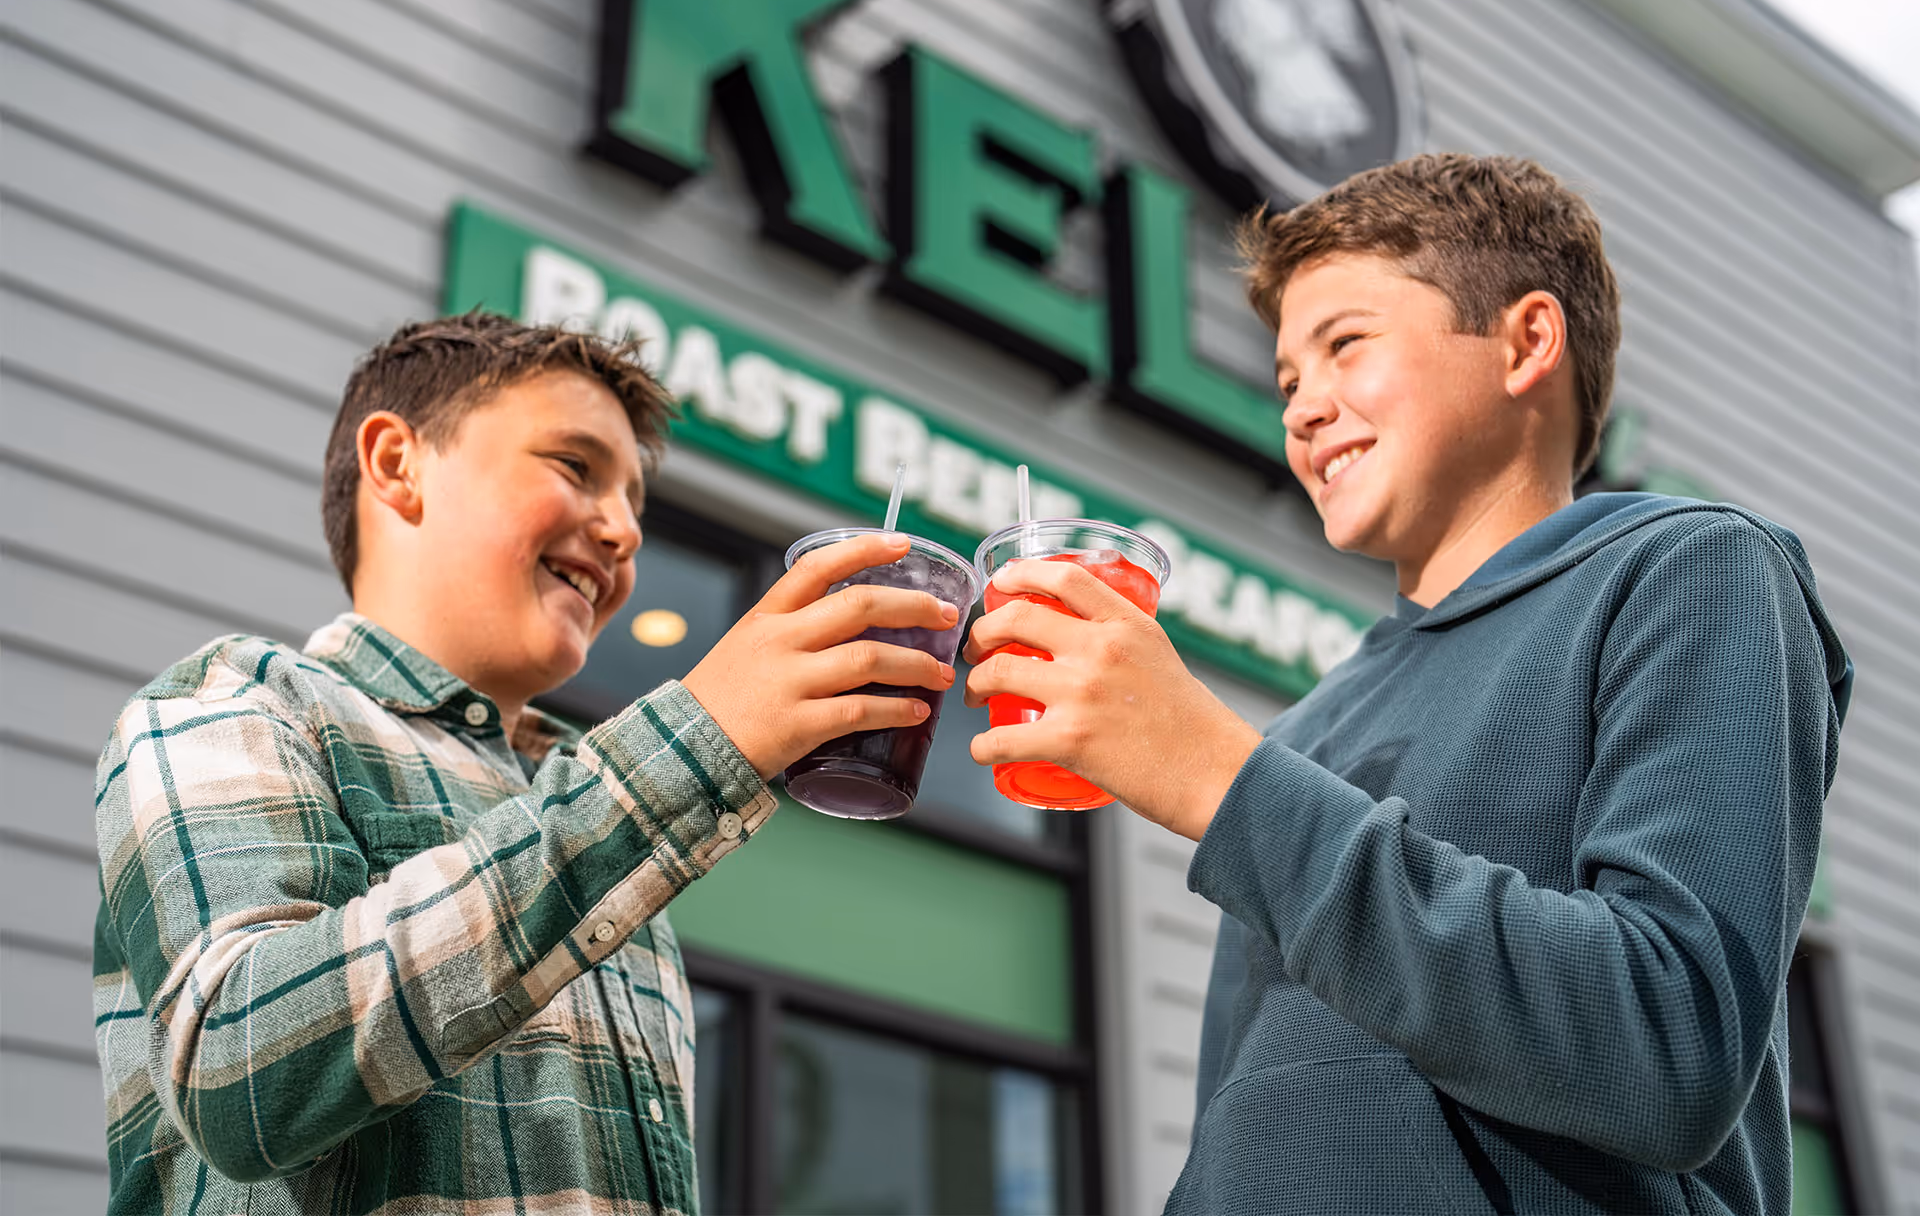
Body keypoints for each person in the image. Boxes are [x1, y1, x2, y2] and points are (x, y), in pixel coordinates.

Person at [964, 154, 1851, 1213]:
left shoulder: (1688, 569)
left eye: (1346, 345)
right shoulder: (1302, 734)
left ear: (1527, 341)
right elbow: (1242, 1118)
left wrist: (1219, 777)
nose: (1301, 408)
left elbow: (1667, 1050)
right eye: (1289, 379)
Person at [91, 313, 959, 1212]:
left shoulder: (590, 801)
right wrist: (701, 734)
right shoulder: (233, 704)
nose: (623, 530)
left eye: (634, 503)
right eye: (575, 467)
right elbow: (240, 1072)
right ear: (397, 464)